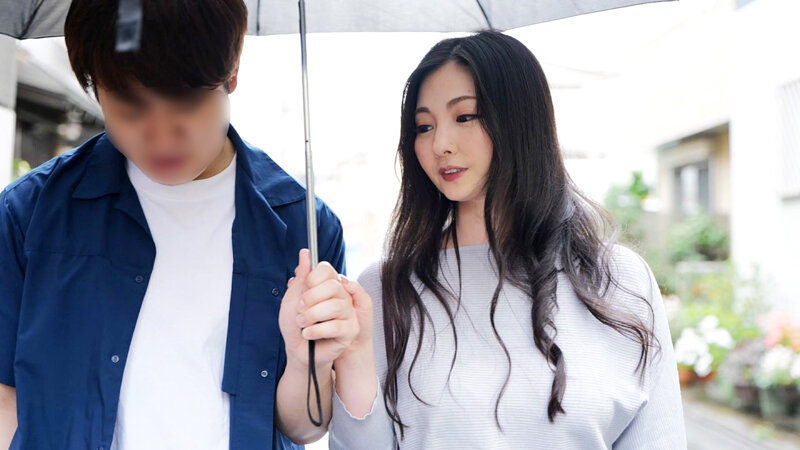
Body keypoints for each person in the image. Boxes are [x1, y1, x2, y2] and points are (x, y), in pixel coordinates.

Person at [0, 1, 359, 448]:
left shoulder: (305, 226)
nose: (162, 135)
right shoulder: (30, 214)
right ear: (94, 88)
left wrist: (310, 362)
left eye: (186, 104)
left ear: (231, 71)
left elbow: (303, 428)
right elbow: (6, 396)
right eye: (131, 109)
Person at [324, 31, 687, 449]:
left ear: (520, 120)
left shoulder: (621, 280)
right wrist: (352, 355)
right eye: (424, 127)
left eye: (465, 117)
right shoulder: (385, 289)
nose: (440, 144)